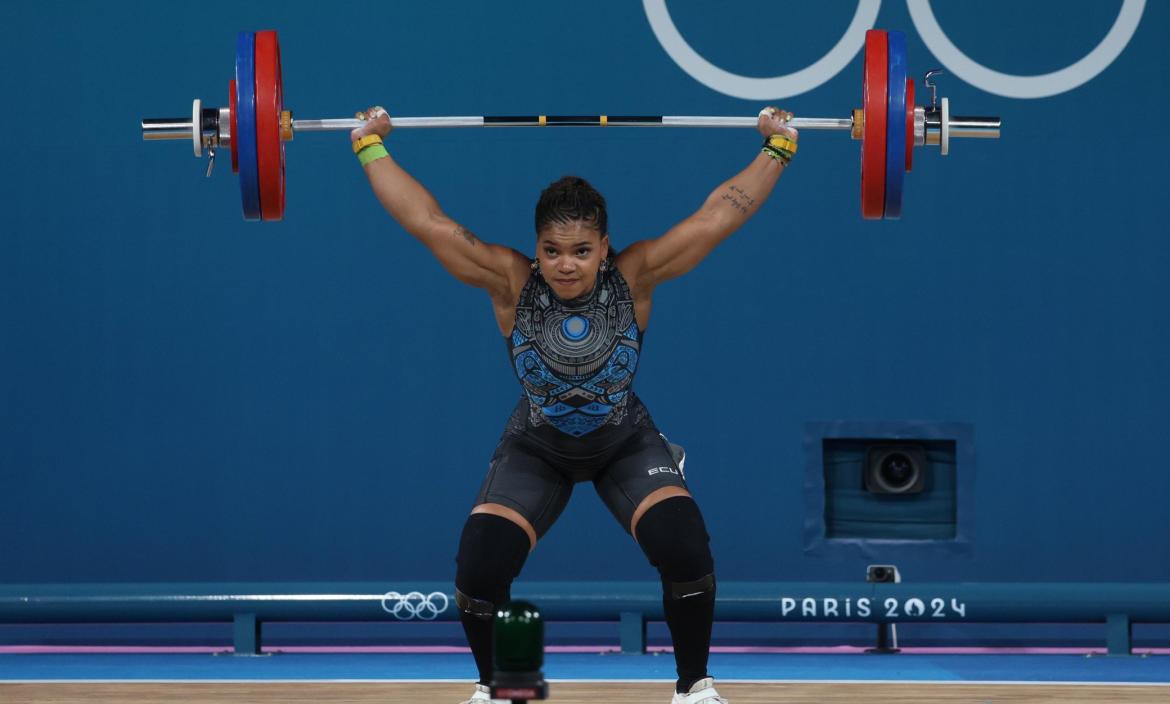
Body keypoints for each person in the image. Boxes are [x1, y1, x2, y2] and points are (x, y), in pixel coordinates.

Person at [350, 105, 797, 704]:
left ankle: (693, 686)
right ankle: (501, 688)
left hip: (623, 440)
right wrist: (369, 147)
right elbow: (427, 222)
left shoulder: (634, 276)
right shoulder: (511, 281)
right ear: (536, 248)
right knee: (480, 568)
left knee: (682, 542)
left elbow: (717, 218)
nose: (567, 264)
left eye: (582, 250)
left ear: (604, 248)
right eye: (554, 250)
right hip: (538, 445)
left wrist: (778, 149)